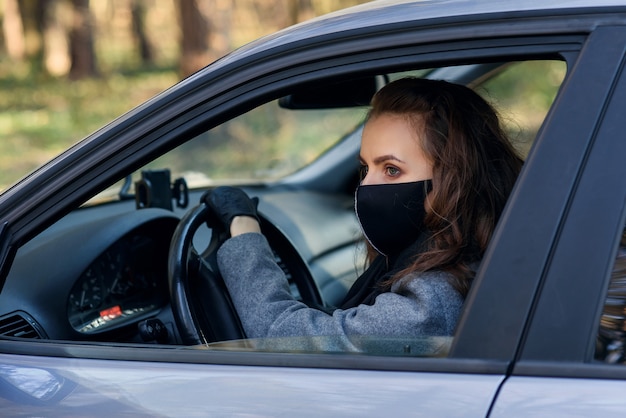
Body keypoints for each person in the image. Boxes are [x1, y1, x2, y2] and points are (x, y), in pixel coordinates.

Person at [204, 77, 523, 353]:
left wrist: (245, 232)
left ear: (454, 181)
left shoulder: (432, 302)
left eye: (392, 169)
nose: (366, 186)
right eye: (364, 167)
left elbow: (278, 336)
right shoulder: (475, 256)